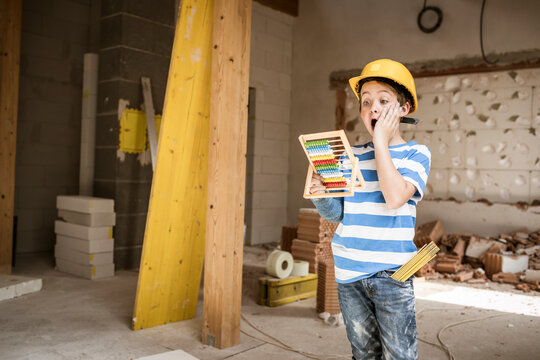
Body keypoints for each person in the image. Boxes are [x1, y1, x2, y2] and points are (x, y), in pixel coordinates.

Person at [309, 59, 431, 360]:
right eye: (365, 102)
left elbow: (394, 197)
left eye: (383, 100)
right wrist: (319, 195)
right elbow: (337, 214)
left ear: (404, 109)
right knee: (364, 354)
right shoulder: (350, 156)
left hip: (393, 274)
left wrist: (379, 142)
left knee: (400, 355)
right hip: (349, 272)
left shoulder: (417, 154)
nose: (372, 107)